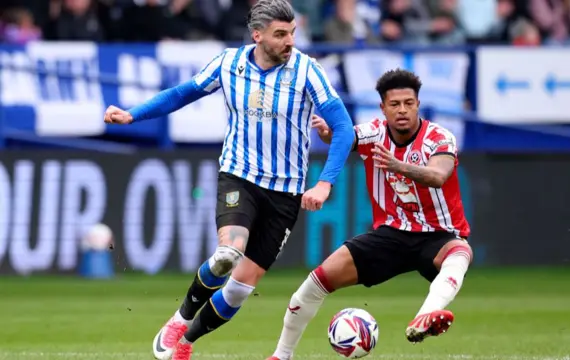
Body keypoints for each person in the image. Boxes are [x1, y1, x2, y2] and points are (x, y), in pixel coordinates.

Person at [103, 1, 355, 359]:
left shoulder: (307, 71)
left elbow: (343, 126)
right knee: (227, 253)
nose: (289, 42)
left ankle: (186, 342)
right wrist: (133, 115)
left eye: (292, 33)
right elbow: (181, 93)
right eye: (280, 34)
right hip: (240, 175)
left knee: (238, 289)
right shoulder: (229, 63)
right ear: (257, 35)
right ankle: (179, 318)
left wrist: (325, 182)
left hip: (285, 192)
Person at [267, 69, 473, 360]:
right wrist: (330, 135)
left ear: (417, 104)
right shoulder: (373, 132)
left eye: (409, 103)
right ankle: (281, 355)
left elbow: (439, 176)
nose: (402, 110)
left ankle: (425, 316)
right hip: (391, 235)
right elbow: (344, 139)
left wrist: (399, 166)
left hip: (438, 235)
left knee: (460, 253)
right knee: (315, 282)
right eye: (394, 104)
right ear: (383, 108)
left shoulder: (439, 138)